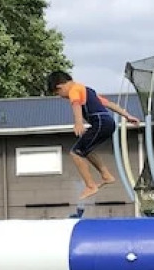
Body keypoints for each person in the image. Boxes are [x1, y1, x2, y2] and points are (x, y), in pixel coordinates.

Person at [46, 69, 141, 200]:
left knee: (76, 153)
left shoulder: (74, 89)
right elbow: (109, 104)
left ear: (60, 86)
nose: (62, 97)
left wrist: (78, 122)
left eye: (59, 94)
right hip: (107, 123)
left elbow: (76, 105)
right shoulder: (88, 90)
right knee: (86, 150)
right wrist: (127, 116)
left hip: (101, 123)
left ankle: (90, 185)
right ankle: (106, 175)